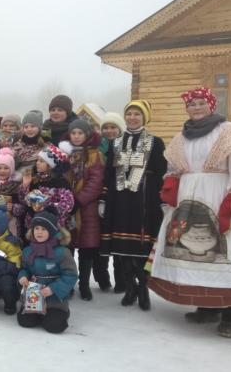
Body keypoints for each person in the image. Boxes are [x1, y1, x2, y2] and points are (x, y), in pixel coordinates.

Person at [146, 87, 231, 338]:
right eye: (191, 104)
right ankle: (208, 307)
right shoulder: (182, 136)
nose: (196, 107)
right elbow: (173, 166)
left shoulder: (229, 132)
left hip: (220, 195)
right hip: (187, 200)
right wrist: (171, 183)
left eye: (201, 103)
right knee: (194, 250)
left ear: (211, 106)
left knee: (227, 253)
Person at [101, 100, 166, 312]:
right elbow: (109, 172)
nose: (132, 118)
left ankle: (143, 288)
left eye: (137, 114)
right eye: (129, 114)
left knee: (141, 246)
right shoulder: (116, 142)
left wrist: (163, 200)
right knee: (122, 247)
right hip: (119, 199)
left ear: (145, 117)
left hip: (144, 200)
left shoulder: (155, 142)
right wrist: (104, 197)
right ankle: (130, 287)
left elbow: (161, 172)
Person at [60, 118, 106, 300]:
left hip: (87, 208)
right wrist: (64, 201)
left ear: (87, 135)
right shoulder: (64, 154)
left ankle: (85, 284)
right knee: (68, 247)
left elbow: (96, 182)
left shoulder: (95, 155)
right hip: (66, 207)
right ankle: (69, 283)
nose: (77, 136)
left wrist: (78, 201)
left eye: (80, 133)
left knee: (87, 249)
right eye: (73, 133)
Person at [17, 206, 78, 334]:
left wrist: (53, 289)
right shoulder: (28, 250)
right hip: (34, 298)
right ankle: (39, 313)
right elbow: (25, 269)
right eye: (36, 228)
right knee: (24, 321)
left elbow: (71, 275)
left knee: (54, 326)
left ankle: (61, 312)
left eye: (43, 229)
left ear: (52, 231)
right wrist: (22, 277)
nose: (39, 232)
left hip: (55, 299)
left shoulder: (62, 252)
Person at [19, 144, 75, 245]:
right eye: (37, 160)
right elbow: (24, 201)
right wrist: (25, 186)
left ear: (51, 165)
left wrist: (47, 208)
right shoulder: (36, 179)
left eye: (41, 161)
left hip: (52, 226)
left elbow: (68, 204)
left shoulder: (60, 183)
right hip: (33, 227)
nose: (37, 163)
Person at [97, 112, 127, 293]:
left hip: (119, 196)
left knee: (118, 238)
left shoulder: (126, 146)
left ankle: (121, 280)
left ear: (119, 129)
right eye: (105, 128)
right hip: (99, 195)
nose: (109, 131)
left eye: (113, 127)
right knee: (101, 240)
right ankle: (102, 278)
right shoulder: (96, 148)